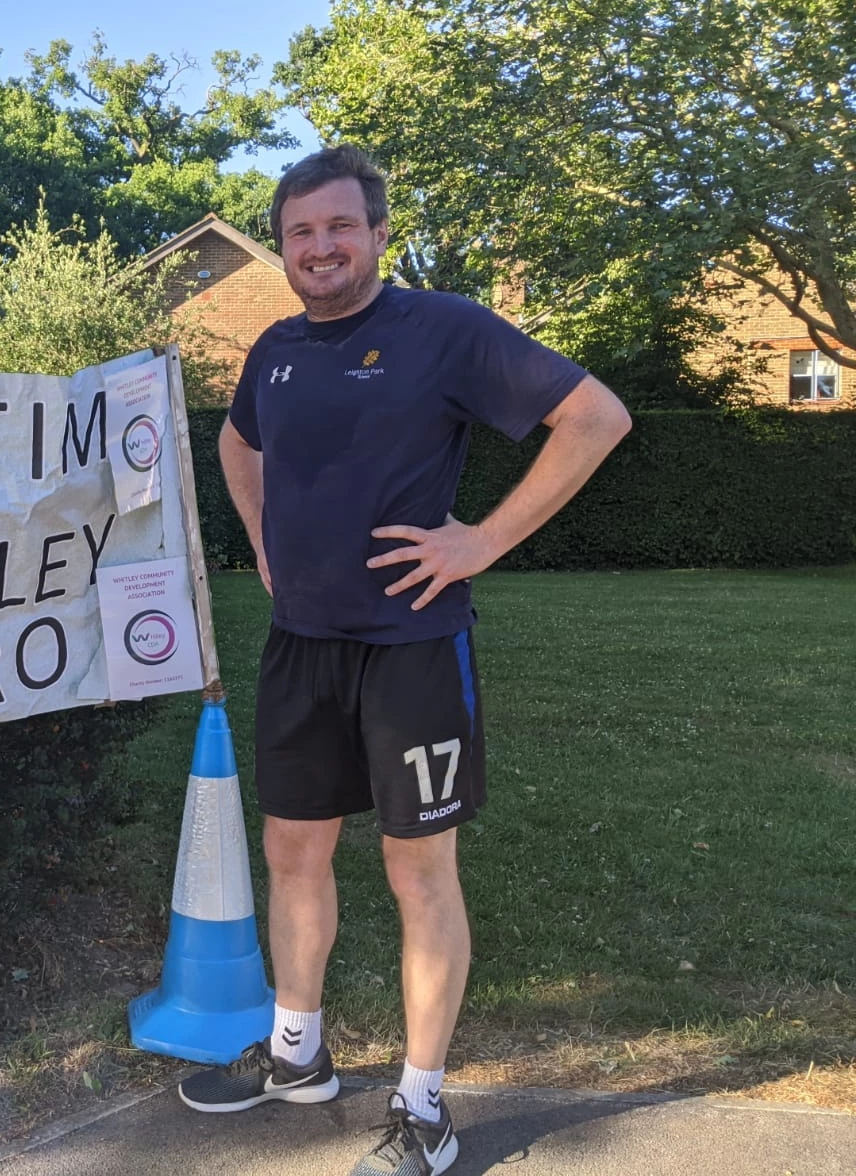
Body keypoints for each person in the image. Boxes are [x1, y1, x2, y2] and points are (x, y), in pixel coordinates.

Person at [175, 145, 630, 1176]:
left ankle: (423, 1108)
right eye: (300, 232)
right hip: (303, 649)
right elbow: (239, 447)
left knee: (416, 871)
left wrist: (480, 541)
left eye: (340, 227)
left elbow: (595, 417)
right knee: (293, 852)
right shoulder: (275, 349)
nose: (320, 246)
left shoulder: (444, 330)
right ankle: (297, 1055)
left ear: (379, 233)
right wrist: (260, 538)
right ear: (283, 247)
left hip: (412, 652)